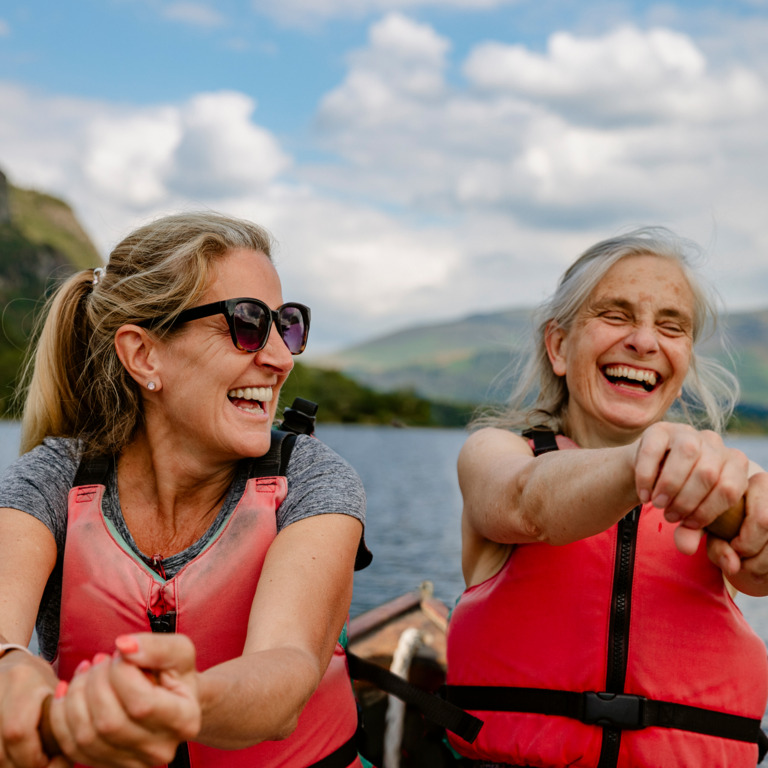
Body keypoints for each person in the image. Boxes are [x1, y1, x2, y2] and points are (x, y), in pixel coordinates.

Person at [0, 212, 368, 768]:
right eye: (246, 323)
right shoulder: (51, 478)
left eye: (285, 324)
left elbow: (287, 668)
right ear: (143, 355)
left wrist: (177, 700)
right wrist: (16, 679)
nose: (280, 358)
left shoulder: (314, 481)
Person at [443, 227, 768, 767]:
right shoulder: (496, 452)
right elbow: (523, 503)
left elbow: (759, 570)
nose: (644, 342)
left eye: (671, 326)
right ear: (558, 347)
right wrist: (646, 458)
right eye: (615, 315)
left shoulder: (729, 479)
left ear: (683, 363)